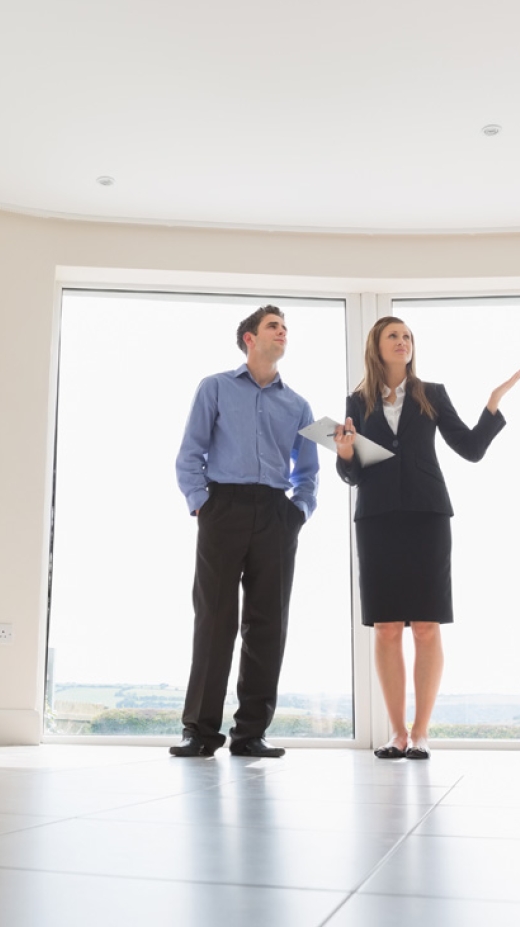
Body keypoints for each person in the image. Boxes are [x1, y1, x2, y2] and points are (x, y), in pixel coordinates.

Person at [334, 316, 520, 760]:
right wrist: (344, 454)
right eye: (393, 336)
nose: (402, 342)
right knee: (384, 628)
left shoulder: (431, 393)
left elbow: (471, 449)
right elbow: (352, 473)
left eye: (407, 337)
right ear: (376, 347)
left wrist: (493, 404)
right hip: (377, 517)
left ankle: (420, 733)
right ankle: (396, 733)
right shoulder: (356, 401)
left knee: (425, 625)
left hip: (427, 516)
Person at [171, 304, 319, 758]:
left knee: (268, 624)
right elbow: (189, 454)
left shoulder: (297, 404)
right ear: (249, 339)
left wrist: (299, 511)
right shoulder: (215, 388)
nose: (283, 333)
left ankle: (250, 732)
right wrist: (203, 505)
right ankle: (200, 731)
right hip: (223, 508)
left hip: (276, 514)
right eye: (274, 326)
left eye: (286, 328)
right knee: (214, 619)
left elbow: (308, 470)